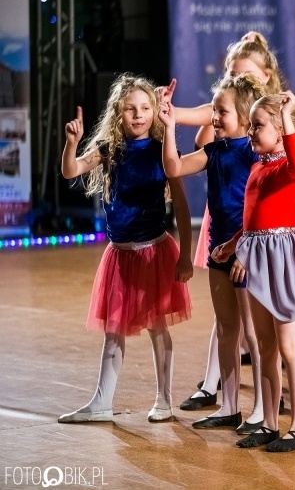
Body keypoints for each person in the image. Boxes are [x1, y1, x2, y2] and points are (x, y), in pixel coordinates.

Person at [58, 73, 193, 423]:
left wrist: (186, 256)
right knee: (113, 331)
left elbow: (181, 205)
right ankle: (101, 402)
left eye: (145, 108)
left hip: (154, 251)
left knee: (156, 326)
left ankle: (163, 400)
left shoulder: (163, 151)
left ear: (155, 111)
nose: (138, 115)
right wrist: (72, 142)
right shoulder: (110, 150)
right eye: (131, 109)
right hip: (119, 253)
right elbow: (71, 170)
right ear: (118, 113)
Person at [161, 31, 282, 409]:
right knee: (228, 329)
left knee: (255, 331)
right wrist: (167, 125)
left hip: (248, 248)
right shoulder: (214, 150)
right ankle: (229, 407)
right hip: (218, 248)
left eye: (221, 112)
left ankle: (264, 409)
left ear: (245, 118)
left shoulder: (255, 153)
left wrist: (244, 245)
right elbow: (175, 167)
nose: (214, 117)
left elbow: (263, 206)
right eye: (214, 110)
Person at [212, 90, 295, 452]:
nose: (251, 133)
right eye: (252, 126)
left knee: (290, 347)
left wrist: (289, 115)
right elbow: (254, 217)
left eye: (258, 126)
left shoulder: (291, 167)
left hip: (282, 258)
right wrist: (233, 243)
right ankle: (270, 423)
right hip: (255, 254)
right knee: (266, 346)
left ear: (279, 128)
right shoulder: (258, 166)